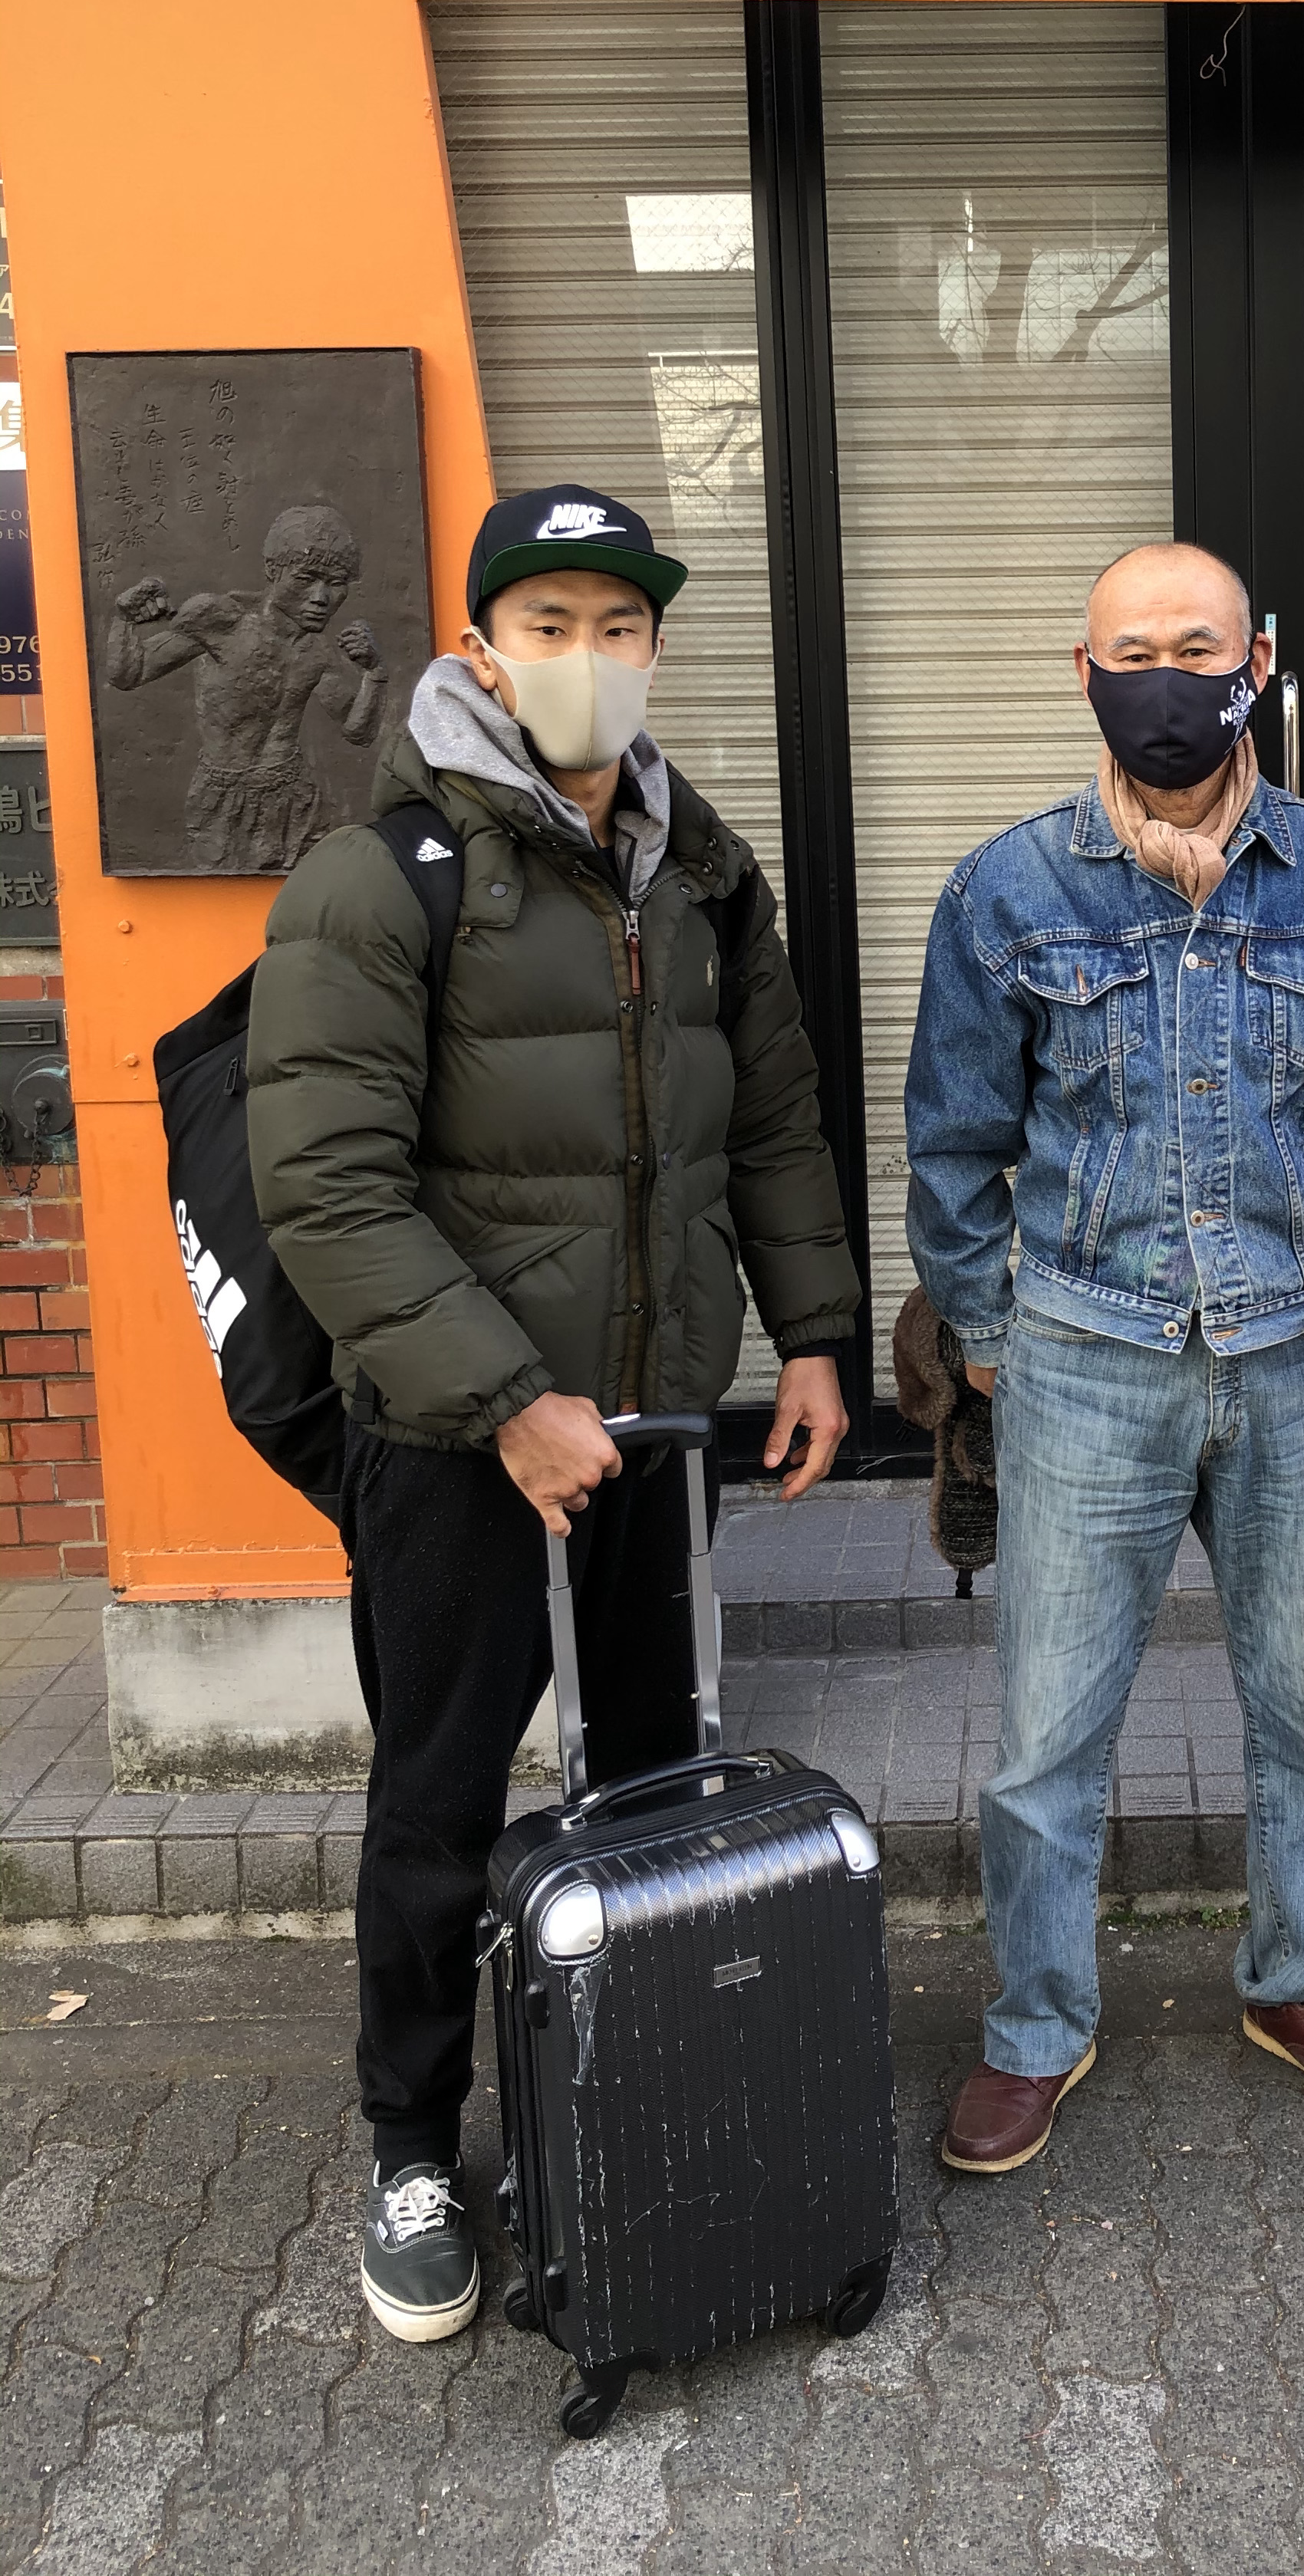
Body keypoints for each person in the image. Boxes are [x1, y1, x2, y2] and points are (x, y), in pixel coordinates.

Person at [246, 484, 858, 2339]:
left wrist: (813, 1335)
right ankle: (414, 2149)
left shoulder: (702, 869)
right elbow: (328, 1191)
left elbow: (772, 1118)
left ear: (655, 646)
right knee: (439, 1805)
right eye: (550, 625)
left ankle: (649, 2090)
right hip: (456, 1447)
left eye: (620, 626)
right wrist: (509, 1401)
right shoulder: (383, 879)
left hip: (653, 1440)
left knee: (658, 1787)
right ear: (483, 648)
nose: (588, 659)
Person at [905, 541, 1304, 2175]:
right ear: (1082, 672)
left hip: (1302, 1358)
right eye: (1132, 652)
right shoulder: (1007, 891)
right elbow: (951, 1149)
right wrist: (990, 1337)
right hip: (1085, 1361)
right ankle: (1035, 2023)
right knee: (1046, 1736)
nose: (1164, 680)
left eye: (1196, 648)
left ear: (1258, 664)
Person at [108, 502, 387, 870]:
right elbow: (130, 673)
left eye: (336, 584)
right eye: (306, 579)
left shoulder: (318, 652)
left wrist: (374, 673)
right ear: (273, 570)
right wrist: (125, 620)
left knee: (303, 888)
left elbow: (358, 731)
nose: (321, 598)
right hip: (221, 797)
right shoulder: (221, 620)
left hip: (296, 798)